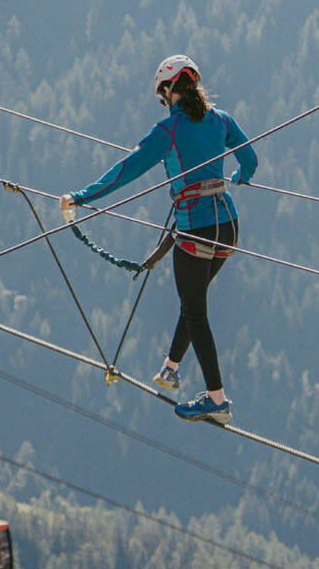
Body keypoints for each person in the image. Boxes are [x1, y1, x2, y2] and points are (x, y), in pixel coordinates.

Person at [61, 55, 257, 424]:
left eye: (161, 96)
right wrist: (240, 178)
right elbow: (250, 159)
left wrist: (81, 197)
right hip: (228, 226)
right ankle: (171, 367)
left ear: (168, 90)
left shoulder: (167, 130)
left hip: (195, 229)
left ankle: (217, 400)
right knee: (193, 300)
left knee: (196, 311)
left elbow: (126, 170)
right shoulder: (222, 120)